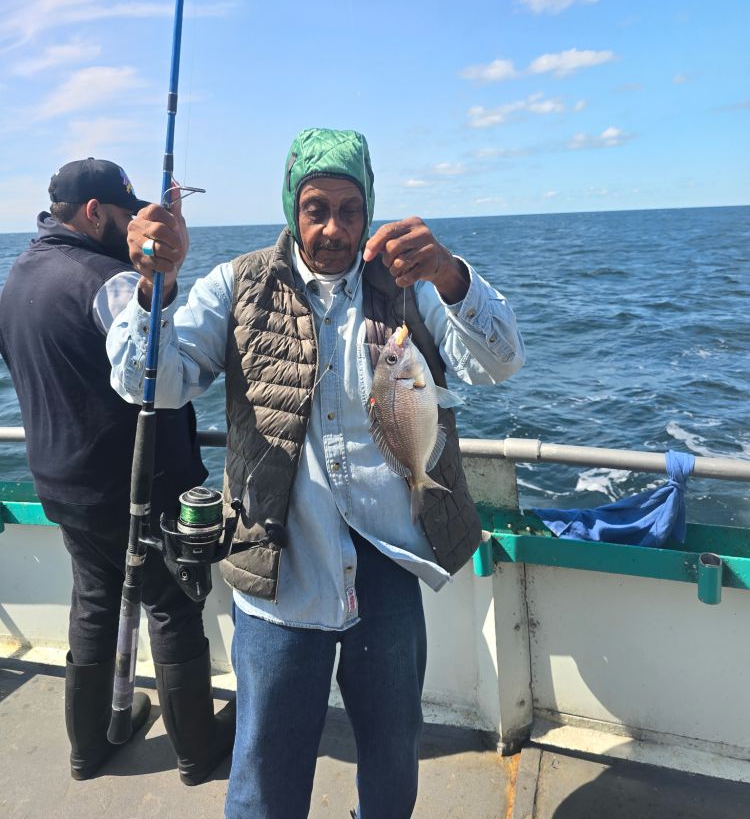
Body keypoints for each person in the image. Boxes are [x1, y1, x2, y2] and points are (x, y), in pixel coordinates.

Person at [107, 128, 525, 818]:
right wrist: (154, 286)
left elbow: (499, 362)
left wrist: (451, 275)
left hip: (388, 566)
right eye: (315, 208)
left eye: (350, 209)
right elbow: (150, 383)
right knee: (265, 769)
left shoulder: (409, 286)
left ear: (370, 212)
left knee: (394, 754)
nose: (333, 228)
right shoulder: (237, 284)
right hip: (278, 569)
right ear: (289, 208)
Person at [0, 158, 234, 785]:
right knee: (172, 605)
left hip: (60, 484)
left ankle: (91, 745)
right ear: (95, 213)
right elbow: (151, 372)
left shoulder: (18, 276)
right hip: (132, 488)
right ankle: (196, 749)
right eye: (127, 215)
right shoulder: (105, 280)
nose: (135, 228)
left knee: (96, 604)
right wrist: (157, 280)